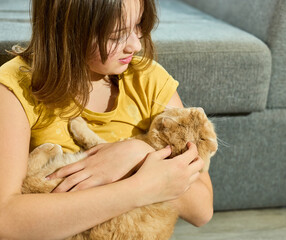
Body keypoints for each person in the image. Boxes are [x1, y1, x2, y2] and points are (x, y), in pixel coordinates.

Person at [0, 0, 213, 239]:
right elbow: (5, 220)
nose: (135, 45)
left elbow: (201, 210)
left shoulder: (150, 82)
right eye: (116, 36)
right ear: (68, 31)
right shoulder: (14, 89)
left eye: (139, 25)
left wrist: (138, 153)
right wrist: (137, 189)